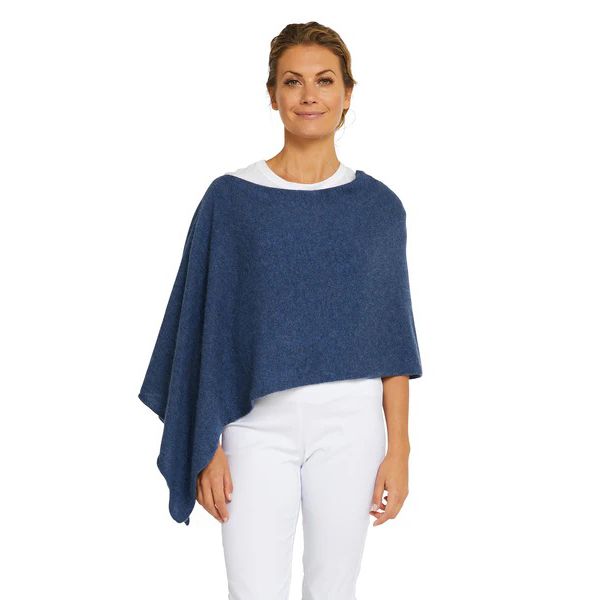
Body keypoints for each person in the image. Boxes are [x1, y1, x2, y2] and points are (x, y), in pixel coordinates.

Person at [191, 22, 423, 599]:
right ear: (272, 94)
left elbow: (392, 337)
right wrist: (207, 445)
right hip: (253, 425)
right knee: (252, 589)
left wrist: (399, 449)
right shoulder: (230, 199)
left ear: (347, 93)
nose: (309, 95)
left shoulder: (378, 207)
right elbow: (205, 330)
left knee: (333, 590)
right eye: (293, 81)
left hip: (351, 423)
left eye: (324, 80)